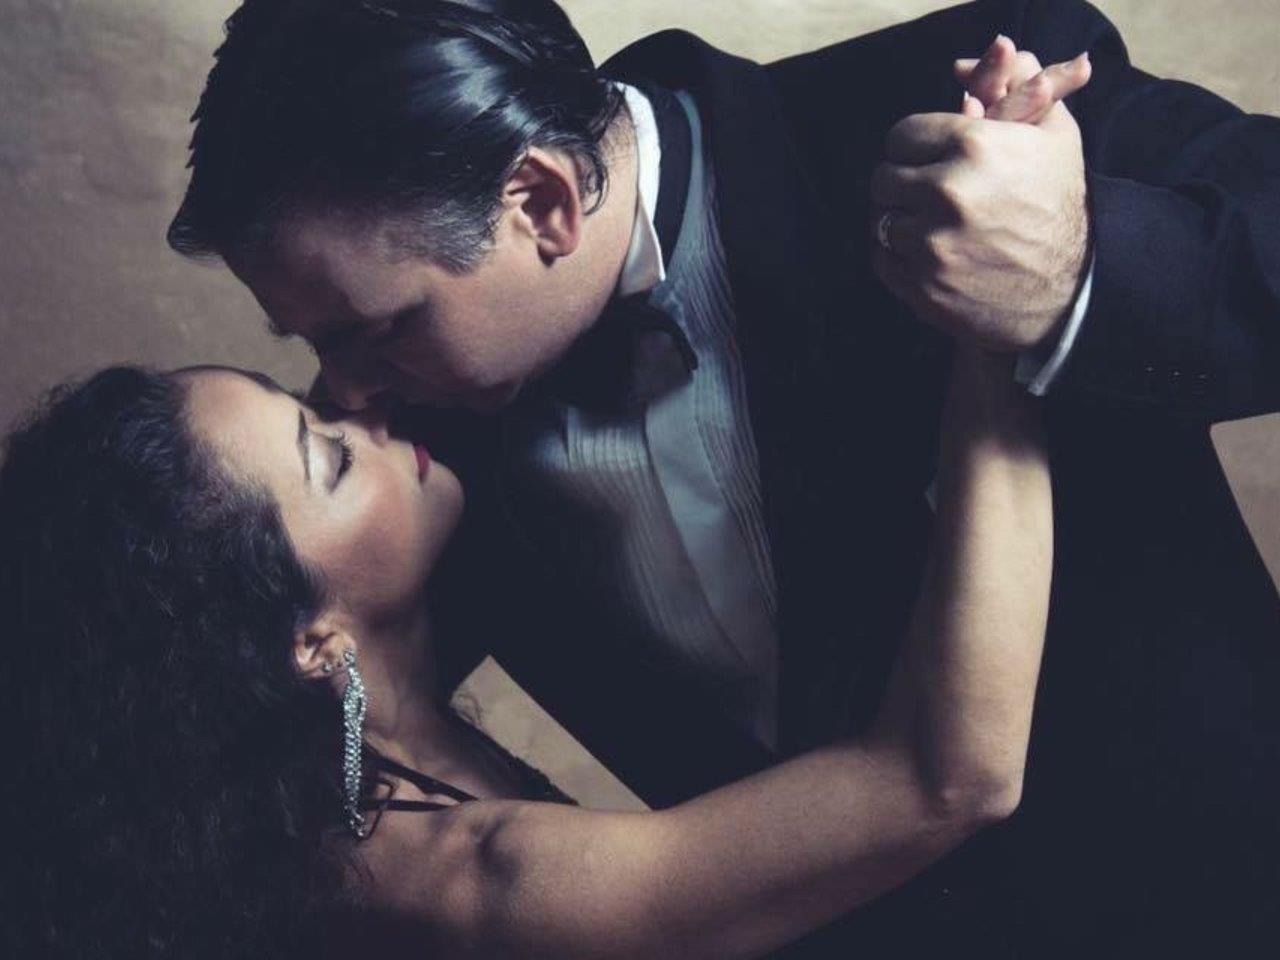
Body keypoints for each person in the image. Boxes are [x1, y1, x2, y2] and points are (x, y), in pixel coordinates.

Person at [167, 0, 1280, 952]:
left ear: (543, 203)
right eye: (315, 342)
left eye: (378, 329)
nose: (346, 391)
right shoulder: (401, 467)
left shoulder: (956, 112)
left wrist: (1078, 266)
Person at [0, 351, 1050, 958]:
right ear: (312, 644)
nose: (362, 412)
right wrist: (996, 349)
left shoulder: (305, 758)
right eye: (330, 456)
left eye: (309, 399)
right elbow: (946, 780)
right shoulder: (475, 882)